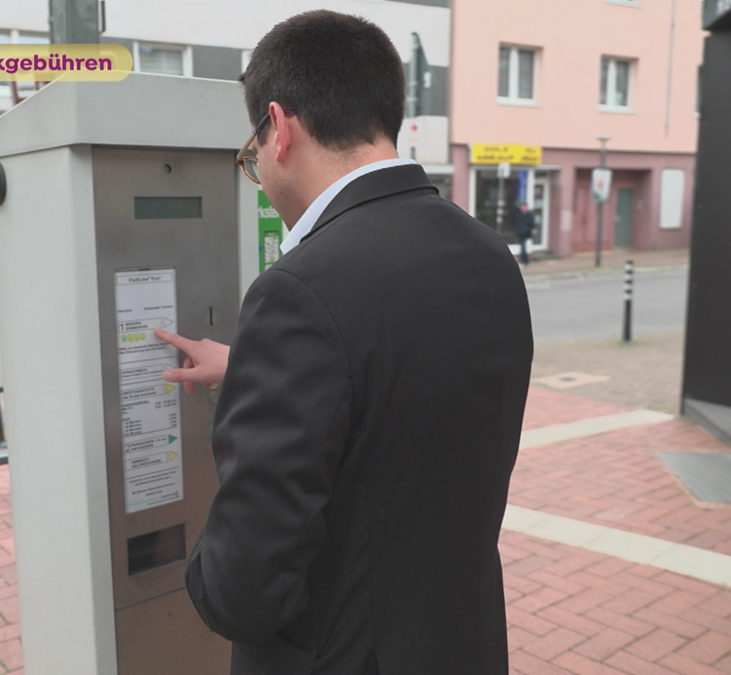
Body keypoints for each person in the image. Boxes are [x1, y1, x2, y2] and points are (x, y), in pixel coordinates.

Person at [154, 10, 533, 675]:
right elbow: (403, 386)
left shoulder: (300, 290)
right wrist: (249, 367)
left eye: (252, 154)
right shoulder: (486, 253)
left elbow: (243, 591)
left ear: (280, 128)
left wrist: (193, 564)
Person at [514, 201, 536, 266]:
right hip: (521, 232)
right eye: (522, 207)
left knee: (524, 246)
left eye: (524, 207)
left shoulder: (530, 215)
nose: (523, 208)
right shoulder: (519, 214)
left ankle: (525, 260)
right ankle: (524, 260)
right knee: (523, 246)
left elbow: (532, 224)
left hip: (526, 233)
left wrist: (528, 230)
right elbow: (517, 223)